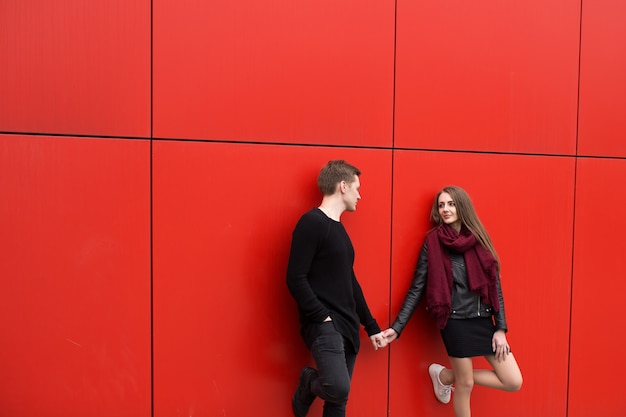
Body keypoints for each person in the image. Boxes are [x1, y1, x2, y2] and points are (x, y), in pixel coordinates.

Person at [382, 185, 522, 417]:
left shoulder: (478, 238)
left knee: (513, 380)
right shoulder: (433, 242)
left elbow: (495, 285)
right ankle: (453, 378)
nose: (446, 209)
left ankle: (445, 376)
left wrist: (500, 328)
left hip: (483, 320)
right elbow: (417, 287)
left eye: (451, 204)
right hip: (454, 321)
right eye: (441, 205)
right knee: (465, 384)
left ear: (462, 206)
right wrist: (397, 328)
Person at [286, 160, 387, 417]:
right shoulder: (311, 223)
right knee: (338, 388)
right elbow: (295, 277)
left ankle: (311, 382)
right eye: (357, 188)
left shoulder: (339, 231)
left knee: (338, 402)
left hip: (348, 324)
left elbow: (349, 281)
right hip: (324, 324)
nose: (359, 195)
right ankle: (309, 381)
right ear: (343, 186)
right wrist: (321, 315)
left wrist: (371, 325)